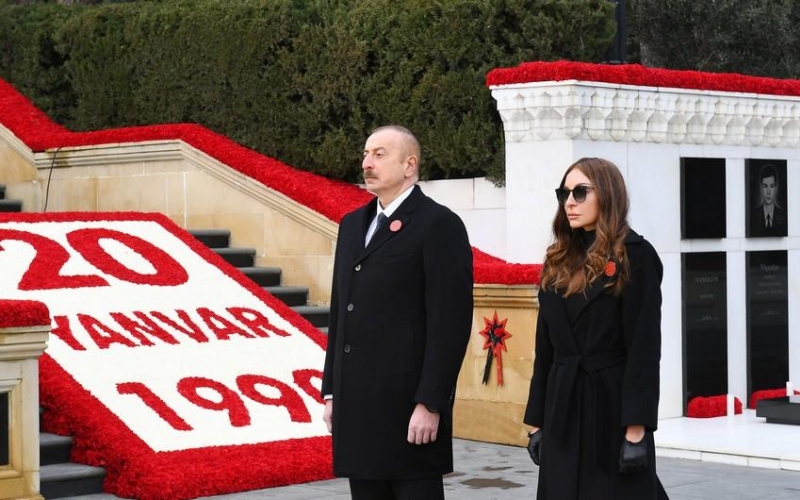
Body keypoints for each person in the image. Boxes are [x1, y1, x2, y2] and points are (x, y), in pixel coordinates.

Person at [321, 125, 474, 500]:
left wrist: (431, 402)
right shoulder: (353, 225)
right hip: (358, 406)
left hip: (407, 410)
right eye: (365, 154)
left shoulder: (438, 224)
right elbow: (341, 310)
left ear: (410, 165)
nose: (366, 163)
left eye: (379, 154)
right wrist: (331, 392)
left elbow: (450, 323)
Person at [524, 157, 669, 500]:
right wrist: (537, 421)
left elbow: (644, 349)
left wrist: (635, 430)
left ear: (607, 194)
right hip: (563, 408)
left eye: (580, 192)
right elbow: (545, 349)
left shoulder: (636, 256)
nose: (569, 202)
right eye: (564, 193)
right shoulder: (557, 259)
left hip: (611, 408)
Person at [749, 163, 786, 237]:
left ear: (775, 188)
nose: (768, 192)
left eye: (771, 186)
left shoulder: (783, 215)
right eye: (765, 186)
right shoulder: (753, 216)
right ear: (760, 187)